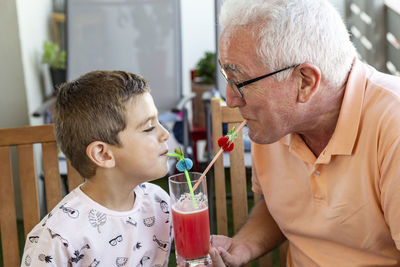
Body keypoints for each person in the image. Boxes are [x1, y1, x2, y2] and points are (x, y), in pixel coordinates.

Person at [210, 0, 400, 266]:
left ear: (305, 82)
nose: (230, 99)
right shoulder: (273, 123)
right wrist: (242, 247)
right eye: (226, 76)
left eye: (239, 81)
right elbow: (282, 206)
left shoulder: (393, 125)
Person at [21, 71, 173, 266]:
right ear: (103, 154)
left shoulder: (159, 202)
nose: (165, 133)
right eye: (149, 127)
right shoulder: (57, 239)